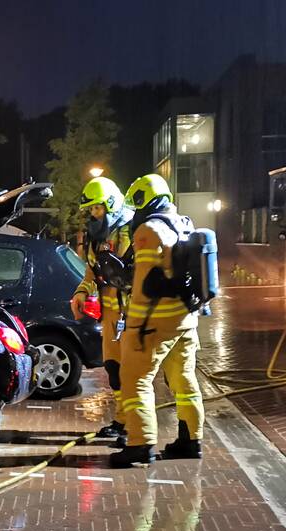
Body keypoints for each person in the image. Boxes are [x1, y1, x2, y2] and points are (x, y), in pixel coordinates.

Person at [111, 174, 203, 468]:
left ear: (145, 199)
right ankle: (191, 440)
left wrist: (134, 326)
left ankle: (140, 444)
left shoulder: (148, 231)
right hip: (186, 321)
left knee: (135, 380)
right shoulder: (185, 224)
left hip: (155, 323)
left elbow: (142, 286)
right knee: (184, 381)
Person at [71, 177, 134, 445]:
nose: (94, 214)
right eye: (92, 209)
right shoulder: (96, 237)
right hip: (110, 316)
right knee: (114, 369)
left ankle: (135, 427)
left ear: (110, 204)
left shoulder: (130, 229)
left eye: (98, 208)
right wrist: (82, 292)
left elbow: (130, 272)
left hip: (130, 314)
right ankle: (121, 420)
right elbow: (92, 271)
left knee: (133, 373)